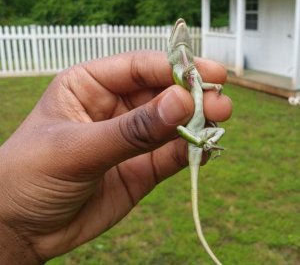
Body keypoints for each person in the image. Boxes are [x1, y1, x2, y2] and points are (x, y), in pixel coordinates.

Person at [0, 51, 232, 264]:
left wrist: (14, 234)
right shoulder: (179, 73)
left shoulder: (191, 72)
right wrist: (11, 230)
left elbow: (204, 85)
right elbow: (184, 87)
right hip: (192, 135)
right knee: (188, 132)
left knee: (219, 130)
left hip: (201, 134)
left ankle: (206, 141)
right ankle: (203, 142)